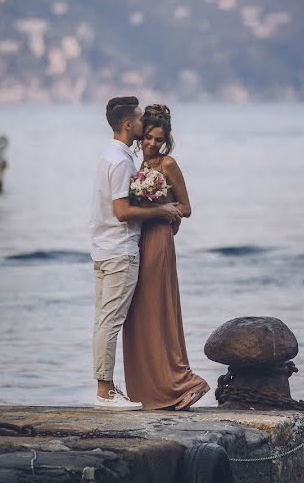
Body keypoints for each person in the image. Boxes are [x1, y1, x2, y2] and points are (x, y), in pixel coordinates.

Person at [91, 97, 182, 410]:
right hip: (119, 249)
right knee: (111, 322)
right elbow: (121, 211)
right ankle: (105, 392)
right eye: (140, 120)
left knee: (105, 320)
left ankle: (108, 387)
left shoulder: (113, 155)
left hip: (106, 248)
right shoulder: (122, 161)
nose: (144, 125)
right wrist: (161, 208)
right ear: (128, 124)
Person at [122, 105, 210, 410]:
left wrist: (159, 205)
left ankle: (183, 382)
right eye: (148, 137)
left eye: (158, 139)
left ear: (165, 140)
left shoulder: (168, 165)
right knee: (137, 314)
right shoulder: (134, 164)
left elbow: (186, 207)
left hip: (158, 241)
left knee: (158, 310)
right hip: (137, 240)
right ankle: (148, 390)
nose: (151, 144)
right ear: (141, 134)